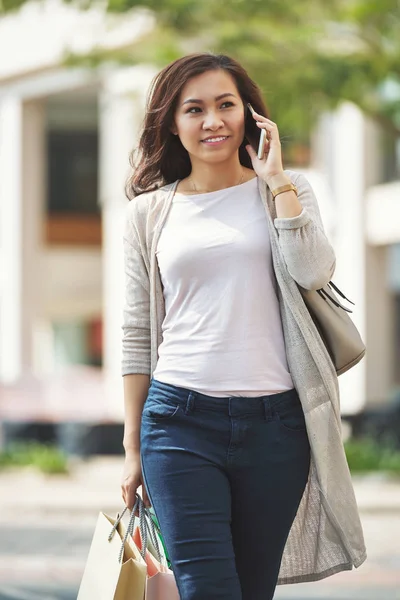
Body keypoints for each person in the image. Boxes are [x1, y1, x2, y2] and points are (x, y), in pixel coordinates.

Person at [120, 53, 366, 600]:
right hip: (180, 423)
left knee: (252, 591)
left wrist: (276, 182)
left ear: (250, 115)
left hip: (276, 426)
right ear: (172, 123)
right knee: (208, 589)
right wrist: (133, 445)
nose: (213, 121)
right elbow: (137, 334)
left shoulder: (287, 189)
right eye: (195, 109)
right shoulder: (149, 213)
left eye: (226, 105)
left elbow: (314, 271)